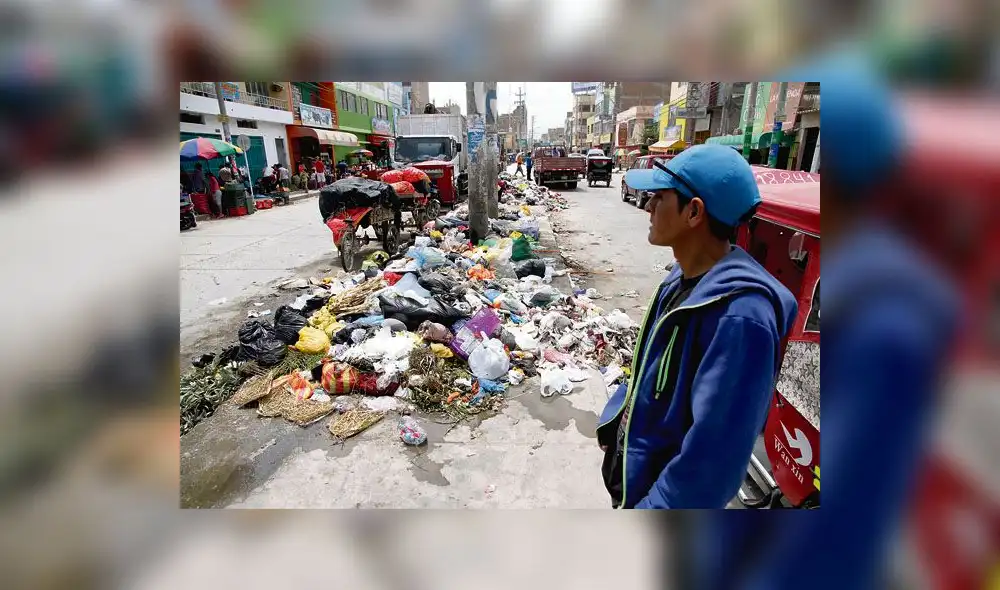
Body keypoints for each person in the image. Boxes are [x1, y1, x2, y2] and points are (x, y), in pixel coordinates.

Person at [597, 145, 798, 509]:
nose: (647, 207)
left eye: (659, 198)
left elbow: (711, 466)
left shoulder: (742, 318)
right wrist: (614, 422)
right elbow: (649, 366)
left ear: (694, 212)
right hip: (635, 483)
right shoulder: (681, 278)